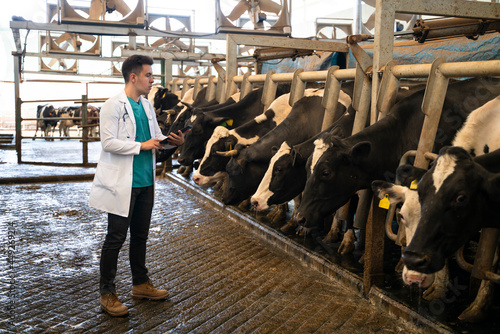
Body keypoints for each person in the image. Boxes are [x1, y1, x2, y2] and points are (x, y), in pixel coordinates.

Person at [89, 55, 185, 317]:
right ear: (133, 77)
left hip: (146, 180)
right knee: (115, 238)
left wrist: (174, 143)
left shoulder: (147, 106)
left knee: (140, 236)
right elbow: (108, 143)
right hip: (123, 183)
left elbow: (155, 141)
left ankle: (140, 284)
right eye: (148, 76)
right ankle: (107, 294)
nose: (153, 80)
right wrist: (141, 146)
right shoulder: (113, 105)